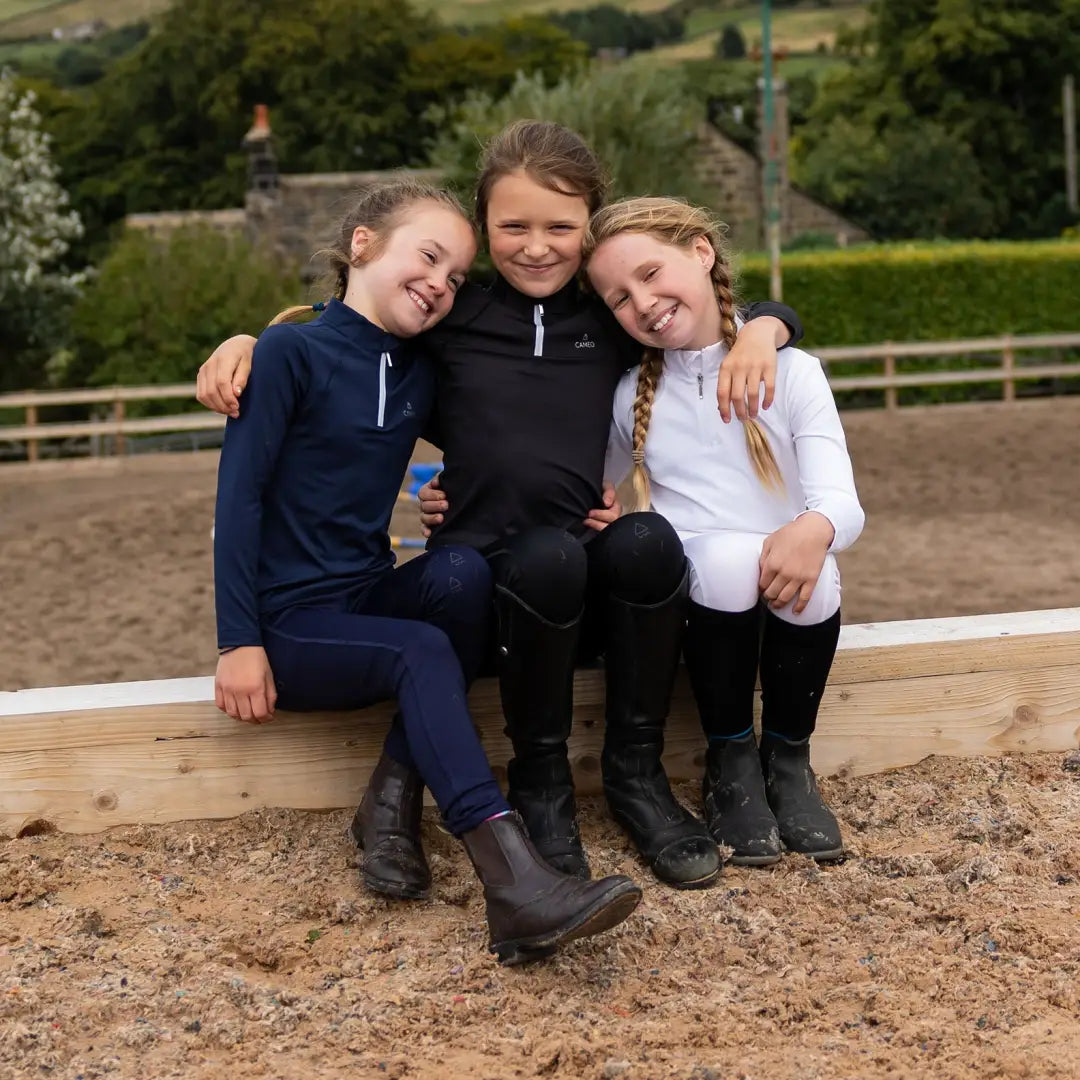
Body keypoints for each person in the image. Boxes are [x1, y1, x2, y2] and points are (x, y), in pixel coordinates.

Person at [198, 121, 802, 891]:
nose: (536, 245)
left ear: (591, 227)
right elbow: (355, 332)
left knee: (647, 541)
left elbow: (697, 313)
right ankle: (541, 786)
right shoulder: (452, 324)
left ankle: (637, 779)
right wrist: (249, 343)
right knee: (526, 560)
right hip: (491, 601)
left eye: (559, 227)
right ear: (487, 230)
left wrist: (765, 329)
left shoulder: (608, 319)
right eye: (513, 226)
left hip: (582, 599)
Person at [212, 177, 641, 965]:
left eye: (453, 276)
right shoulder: (287, 353)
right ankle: (513, 883)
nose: (440, 285)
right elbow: (237, 503)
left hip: (366, 589)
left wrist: (586, 488)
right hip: (289, 624)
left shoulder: (417, 370)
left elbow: (514, 425)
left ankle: (390, 801)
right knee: (422, 650)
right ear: (363, 245)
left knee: (463, 574)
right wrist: (237, 640)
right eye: (429, 257)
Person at [583, 196, 865, 866]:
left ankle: (788, 757)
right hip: (704, 599)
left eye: (651, 273)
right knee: (732, 559)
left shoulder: (794, 372)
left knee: (817, 567)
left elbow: (843, 503)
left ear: (701, 252)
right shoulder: (631, 395)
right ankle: (730, 754)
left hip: (789, 586)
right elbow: (587, 482)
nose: (643, 302)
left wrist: (814, 527)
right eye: (620, 297)